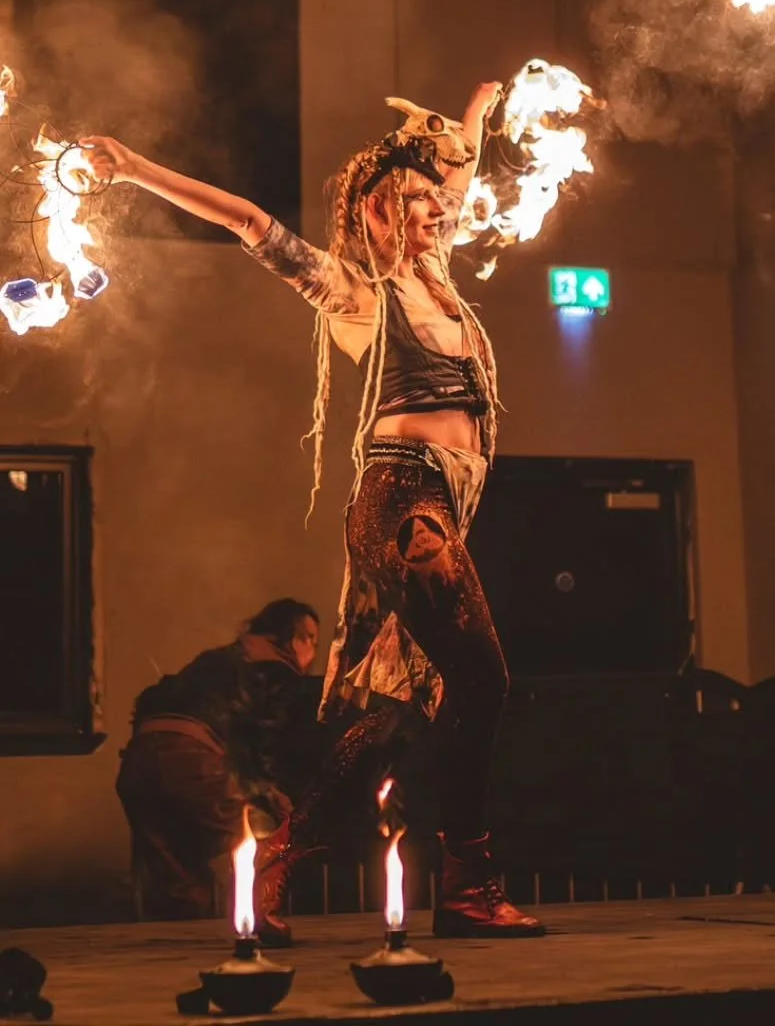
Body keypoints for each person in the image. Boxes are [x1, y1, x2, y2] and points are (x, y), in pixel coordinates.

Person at [82, 84, 544, 941]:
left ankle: (282, 859)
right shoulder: (363, 294)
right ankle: (471, 882)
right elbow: (249, 223)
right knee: (484, 678)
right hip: (402, 502)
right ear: (377, 211)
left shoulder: (442, 288)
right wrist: (137, 169)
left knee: (396, 715)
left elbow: (462, 176)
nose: (441, 212)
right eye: (419, 203)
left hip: (444, 501)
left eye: (442, 204)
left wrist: (474, 120)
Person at [116, 598, 321, 920]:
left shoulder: (217, 659)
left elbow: (153, 699)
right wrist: (271, 795)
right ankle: (259, 929)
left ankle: (176, 954)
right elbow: (262, 740)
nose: (312, 648)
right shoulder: (273, 670)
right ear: (284, 635)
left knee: (173, 873)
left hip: (139, 759)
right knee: (259, 844)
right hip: (193, 761)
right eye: (307, 637)